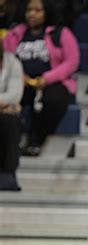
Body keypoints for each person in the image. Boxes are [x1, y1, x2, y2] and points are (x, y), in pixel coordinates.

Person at [3, 0, 80, 156]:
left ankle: (36, 140)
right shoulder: (15, 34)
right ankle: (11, 141)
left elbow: (72, 62)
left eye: (38, 10)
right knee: (7, 100)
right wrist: (19, 75)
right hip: (20, 81)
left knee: (54, 100)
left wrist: (47, 78)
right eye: (29, 10)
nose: (32, 14)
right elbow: (6, 58)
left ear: (47, 12)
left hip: (52, 83)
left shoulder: (61, 33)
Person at [0, 40, 24, 190]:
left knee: (11, 121)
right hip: (3, 108)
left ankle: (8, 175)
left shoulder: (13, 63)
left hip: (4, 113)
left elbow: (14, 96)